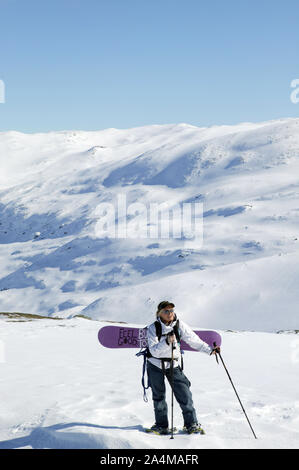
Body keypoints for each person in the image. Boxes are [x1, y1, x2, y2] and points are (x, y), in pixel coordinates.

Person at [146, 300, 220, 435]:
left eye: (171, 310)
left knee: (185, 394)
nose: (170, 313)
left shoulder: (180, 325)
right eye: (166, 311)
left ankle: (191, 424)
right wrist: (167, 342)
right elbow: (154, 351)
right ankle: (161, 426)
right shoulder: (152, 328)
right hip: (154, 364)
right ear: (159, 313)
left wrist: (210, 350)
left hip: (173, 364)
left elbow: (194, 340)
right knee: (158, 396)